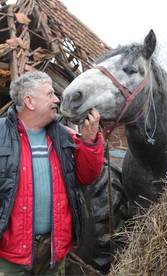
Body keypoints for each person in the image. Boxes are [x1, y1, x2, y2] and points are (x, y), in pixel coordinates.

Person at [0, 71, 104, 275]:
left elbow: (87, 177)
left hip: (53, 251)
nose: (57, 99)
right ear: (29, 101)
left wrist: (89, 142)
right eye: (50, 94)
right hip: (9, 255)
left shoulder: (64, 136)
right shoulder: (1, 134)